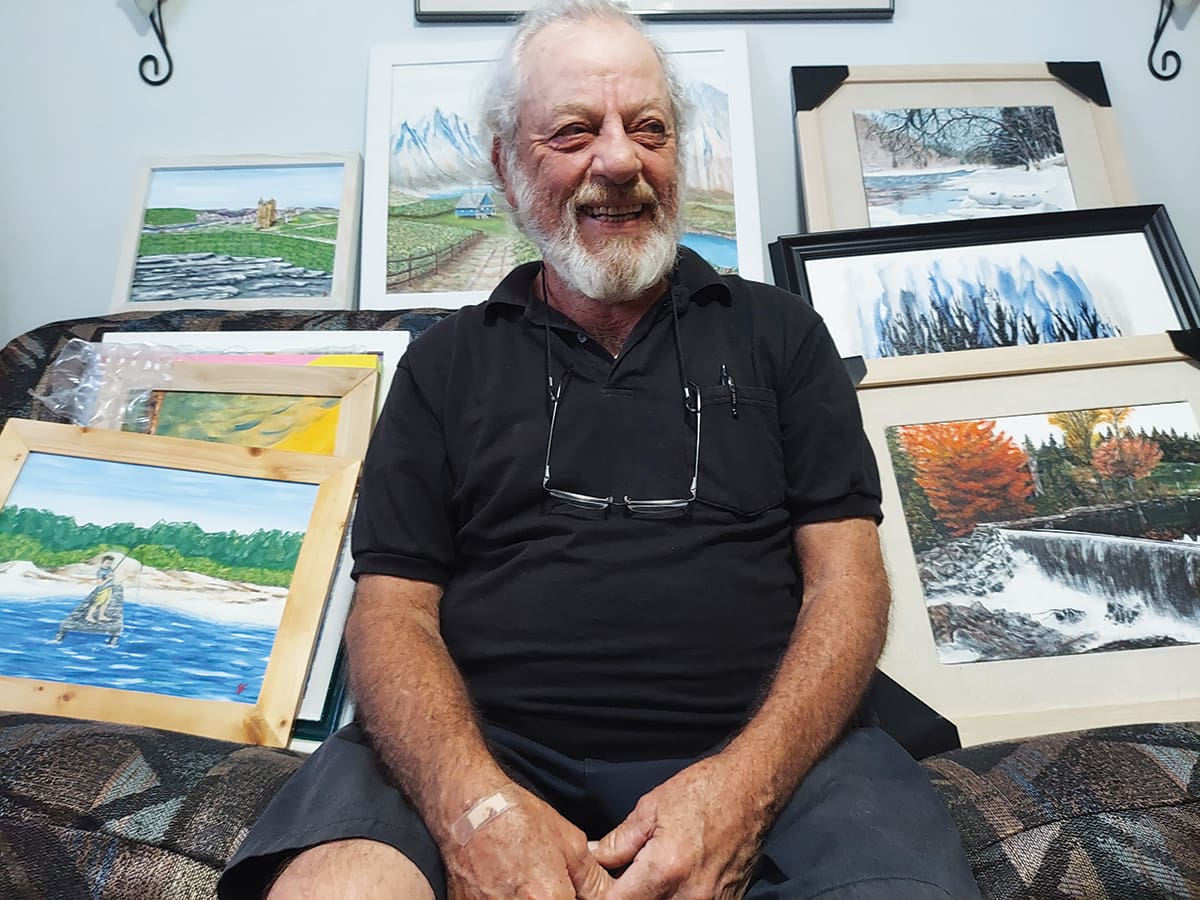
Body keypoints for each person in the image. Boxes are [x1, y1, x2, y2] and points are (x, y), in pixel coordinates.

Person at [219, 1, 982, 897]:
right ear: (506, 167)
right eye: (574, 131)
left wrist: (744, 789)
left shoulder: (783, 335)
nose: (620, 161)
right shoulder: (443, 365)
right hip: (482, 746)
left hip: (771, 750)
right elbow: (392, 613)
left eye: (648, 128)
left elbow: (848, 583)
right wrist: (473, 807)